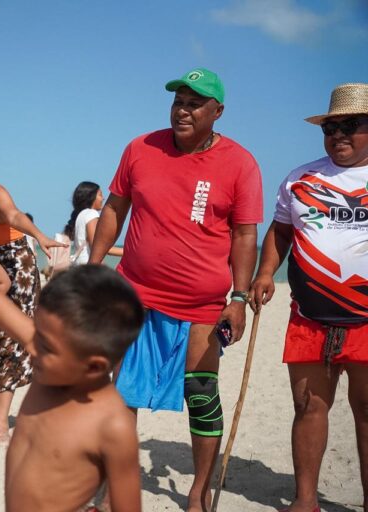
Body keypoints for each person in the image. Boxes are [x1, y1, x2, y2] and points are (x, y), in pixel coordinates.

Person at [89, 68, 263, 511]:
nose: (182, 110)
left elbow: (245, 236)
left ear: (217, 112)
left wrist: (239, 298)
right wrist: (91, 268)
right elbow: (114, 209)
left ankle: (198, 491)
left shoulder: (240, 163)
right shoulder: (140, 148)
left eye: (194, 103)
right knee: (120, 390)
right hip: (134, 294)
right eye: (178, 101)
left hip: (203, 303)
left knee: (202, 391)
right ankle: (114, 488)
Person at [0, 173, 144, 511]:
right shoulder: (49, 355)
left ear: (94, 366)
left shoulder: (112, 424)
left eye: (48, 346)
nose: (34, 349)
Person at [250, 82, 368, 512]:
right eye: (331, 127)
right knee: (308, 406)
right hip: (309, 316)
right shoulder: (301, 179)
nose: (338, 134)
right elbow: (281, 231)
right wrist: (265, 273)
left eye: (351, 126)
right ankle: (304, 500)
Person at [0, 148, 66, 443]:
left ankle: (0, 423)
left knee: (7, 341)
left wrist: (40, 236)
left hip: (16, 264)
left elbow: (13, 215)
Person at [63, 181, 123, 265]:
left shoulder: (81, 215)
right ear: (91, 197)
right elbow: (97, 247)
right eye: (100, 195)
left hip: (79, 266)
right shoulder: (91, 214)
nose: (103, 198)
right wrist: (129, 252)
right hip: (88, 268)